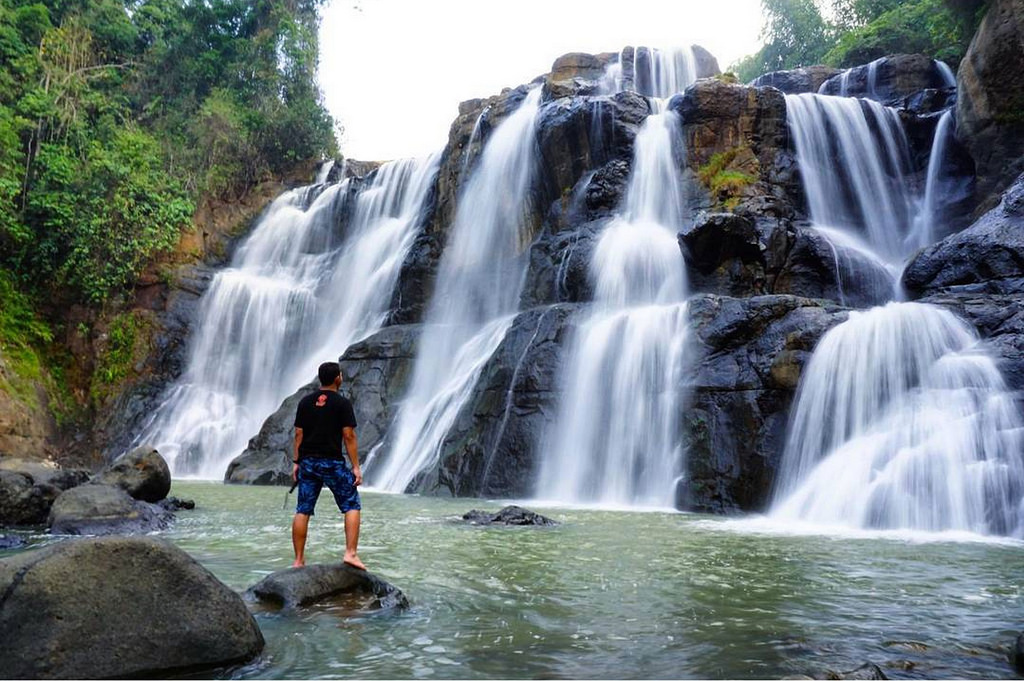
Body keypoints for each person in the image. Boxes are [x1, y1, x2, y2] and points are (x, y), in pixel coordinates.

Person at [291, 361, 365, 570]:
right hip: (332, 462)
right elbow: (348, 436)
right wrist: (356, 467)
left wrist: (296, 462)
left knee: (303, 509)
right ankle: (350, 553)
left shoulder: (305, 402)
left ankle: (298, 560)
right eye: (340, 375)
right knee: (351, 504)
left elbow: (298, 434)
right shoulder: (342, 403)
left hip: (308, 463)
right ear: (337, 379)